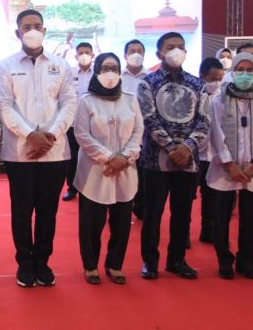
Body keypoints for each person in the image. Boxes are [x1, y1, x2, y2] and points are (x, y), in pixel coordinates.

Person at [0, 9, 77, 288]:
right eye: (26, 26)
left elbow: (69, 103)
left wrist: (50, 135)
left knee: (47, 212)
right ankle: (25, 264)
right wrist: (30, 135)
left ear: (44, 30)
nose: (32, 30)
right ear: (18, 32)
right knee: (21, 212)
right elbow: (5, 106)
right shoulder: (6, 66)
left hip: (54, 152)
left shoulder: (60, 65)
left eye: (37, 26)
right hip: (20, 153)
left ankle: (42, 262)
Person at [137, 32, 209, 280]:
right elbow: (149, 119)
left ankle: (177, 260)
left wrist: (187, 147)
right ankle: (150, 262)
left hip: (188, 160)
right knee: (152, 214)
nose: (176, 51)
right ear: (159, 53)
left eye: (180, 46)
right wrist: (171, 147)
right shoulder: (147, 83)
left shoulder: (198, 84)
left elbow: (204, 120)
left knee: (182, 213)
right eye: (170, 47)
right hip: (154, 160)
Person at [73, 53, 144, 285]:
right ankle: (90, 265)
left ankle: (115, 264)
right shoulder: (86, 101)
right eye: (105, 68)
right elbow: (81, 134)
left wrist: (124, 157)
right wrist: (109, 158)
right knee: (91, 224)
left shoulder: (130, 99)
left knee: (122, 223)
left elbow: (138, 131)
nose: (110, 73)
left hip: (125, 168)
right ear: (96, 72)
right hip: (95, 170)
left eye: (114, 68)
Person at [206, 52, 253, 279]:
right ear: (232, 71)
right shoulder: (219, 99)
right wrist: (229, 163)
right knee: (221, 217)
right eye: (240, 70)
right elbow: (215, 132)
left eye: (250, 70)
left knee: (250, 217)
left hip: (251, 169)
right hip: (225, 166)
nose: (245, 74)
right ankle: (224, 259)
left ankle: (247, 260)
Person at [196, 58, 225, 244]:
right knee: (186, 196)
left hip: (214, 154)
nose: (217, 83)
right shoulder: (194, 94)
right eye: (213, 79)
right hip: (195, 154)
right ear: (202, 76)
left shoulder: (224, 97)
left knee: (212, 196)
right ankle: (183, 235)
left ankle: (209, 231)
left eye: (220, 79)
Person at [121, 39, 150, 219]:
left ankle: (140, 206)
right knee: (123, 167)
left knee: (142, 171)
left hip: (146, 131)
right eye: (132, 51)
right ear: (125, 55)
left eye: (139, 50)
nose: (136, 54)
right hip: (122, 131)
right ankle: (119, 205)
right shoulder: (117, 77)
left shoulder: (151, 77)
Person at [63, 42, 94, 201]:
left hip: (93, 126)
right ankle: (72, 188)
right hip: (73, 124)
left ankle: (91, 188)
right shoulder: (69, 73)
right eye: (81, 52)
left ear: (93, 55)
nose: (84, 55)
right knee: (73, 157)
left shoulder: (99, 73)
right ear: (76, 56)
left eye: (87, 52)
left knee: (92, 157)